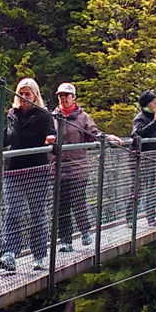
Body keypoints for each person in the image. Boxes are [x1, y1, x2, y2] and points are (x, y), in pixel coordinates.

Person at [0, 78, 56, 271]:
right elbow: (7, 136)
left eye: (27, 94)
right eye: (20, 93)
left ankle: (39, 256)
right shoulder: (12, 114)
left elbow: (51, 133)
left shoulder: (43, 115)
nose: (23, 97)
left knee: (37, 213)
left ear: (35, 95)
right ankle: (10, 255)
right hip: (14, 169)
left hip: (36, 170)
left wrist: (51, 139)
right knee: (12, 213)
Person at [51, 82, 103, 251]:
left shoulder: (83, 117)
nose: (63, 98)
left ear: (73, 97)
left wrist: (104, 138)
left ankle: (84, 231)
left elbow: (93, 134)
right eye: (60, 95)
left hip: (78, 167)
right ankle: (65, 241)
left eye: (66, 95)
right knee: (62, 205)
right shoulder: (52, 117)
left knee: (78, 200)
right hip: (58, 168)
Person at [129, 89, 156, 226]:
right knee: (137, 188)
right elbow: (138, 134)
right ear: (146, 103)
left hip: (155, 159)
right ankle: (130, 218)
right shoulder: (140, 118)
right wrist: (154, 123)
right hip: (140, 159)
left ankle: (151, 218)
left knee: (152, 189)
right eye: (153, 101)